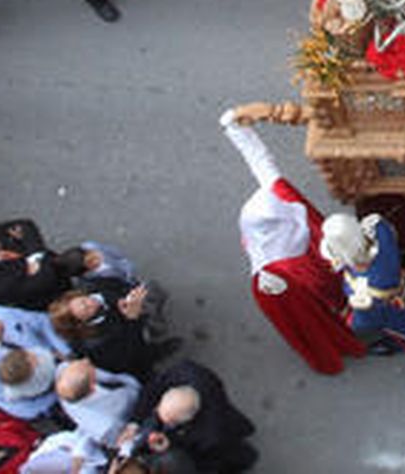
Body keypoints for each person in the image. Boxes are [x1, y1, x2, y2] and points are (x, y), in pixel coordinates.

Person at [219, 111, 366, 375]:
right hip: (313, 272)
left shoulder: (274, 200)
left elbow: (260, 161)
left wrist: (237, 131)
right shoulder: (271, 270)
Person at [319, 212, 405, 355]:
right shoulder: (376, 225)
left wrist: (351, 322)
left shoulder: (367, 289)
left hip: (387, 303)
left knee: (397, 324)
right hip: (400, 275)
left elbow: (366, 320)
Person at [123, 360, 257, 472]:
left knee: (232, 452)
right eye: (159, 409)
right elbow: (152, 390)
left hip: (221, 433)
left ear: (188, 420)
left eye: (169, 421)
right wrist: (134, 423)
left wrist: (172, 444)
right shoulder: (182, 372)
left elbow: (199, 461)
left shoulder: (210, 433)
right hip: (212, 404)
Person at [0, 220, 77, 310]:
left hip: (52, 263)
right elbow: (44, 280)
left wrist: (35, 256)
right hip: (52, 294)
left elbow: (25, 225)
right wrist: (26, 244)